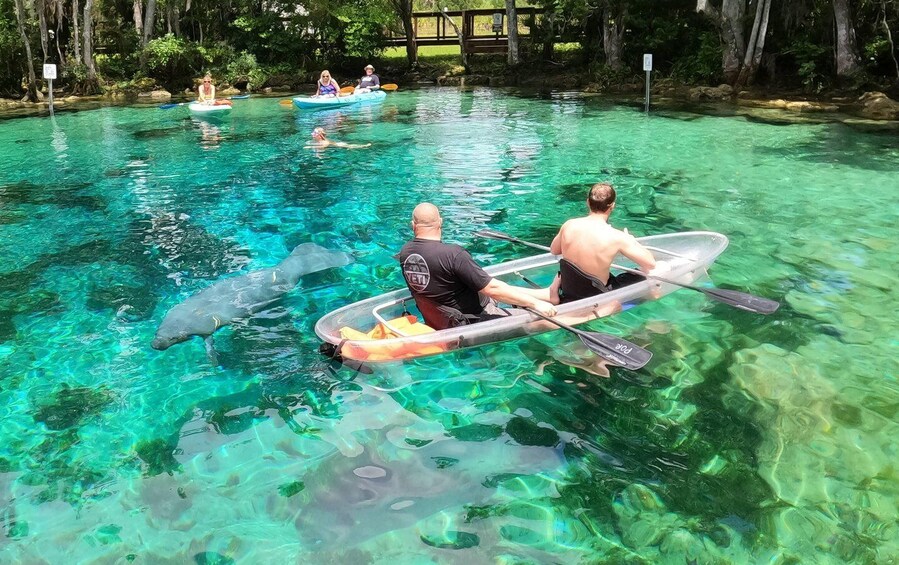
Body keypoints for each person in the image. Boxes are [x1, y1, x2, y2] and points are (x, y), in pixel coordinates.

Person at [398, 203, 557, 330]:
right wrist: (535, 305)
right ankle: (544, 301)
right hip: (473, 318)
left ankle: (547, 295)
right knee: (550, 320)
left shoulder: (405, 253)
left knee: (487, 282)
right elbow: (492, 289)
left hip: (442, 319)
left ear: (413, 225)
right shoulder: (453, 254)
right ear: (440, 222)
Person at [548, 182, 663, 304]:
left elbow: (554, 250)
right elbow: (650, 264)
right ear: (612, 206)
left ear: (588, 202)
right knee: (657, 270)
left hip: (570, 290)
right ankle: (653, 302)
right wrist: (632, 241)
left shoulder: (569, 225)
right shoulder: (618, 237)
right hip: (598, 295)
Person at [307, 127, 371, 149]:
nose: (312, 133)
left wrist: (310, 147)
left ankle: (364, 146)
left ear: (319, 135)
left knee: (349, 146)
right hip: (334, 143)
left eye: (315, 132)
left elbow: (322, 147)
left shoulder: (324, 142)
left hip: (337, 145)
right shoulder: (316, 140)